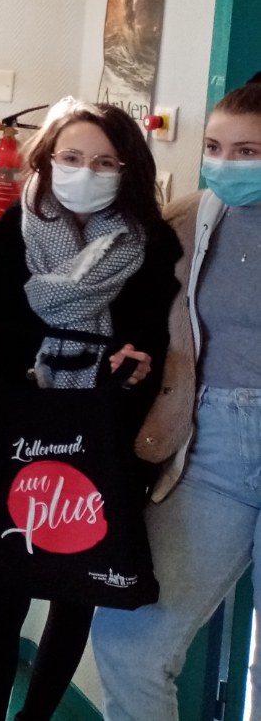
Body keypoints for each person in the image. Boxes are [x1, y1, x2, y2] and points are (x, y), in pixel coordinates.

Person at [0, 98, 179, 721]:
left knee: (77, 591)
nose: (85, 171)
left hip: (101, 439)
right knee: (5, 592)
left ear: (128, 169)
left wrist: (137, 365)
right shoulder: (8, 234)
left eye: (104, 162)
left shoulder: (152, 244)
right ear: (47, 161)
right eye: (72, 157)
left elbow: (156, 343)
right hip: (16, 431)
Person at [91, 75, 261, 721]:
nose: (225, 163)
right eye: (215, 147)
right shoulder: (191, 219)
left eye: (247, 151)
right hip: (211, 450)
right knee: (129, 638)